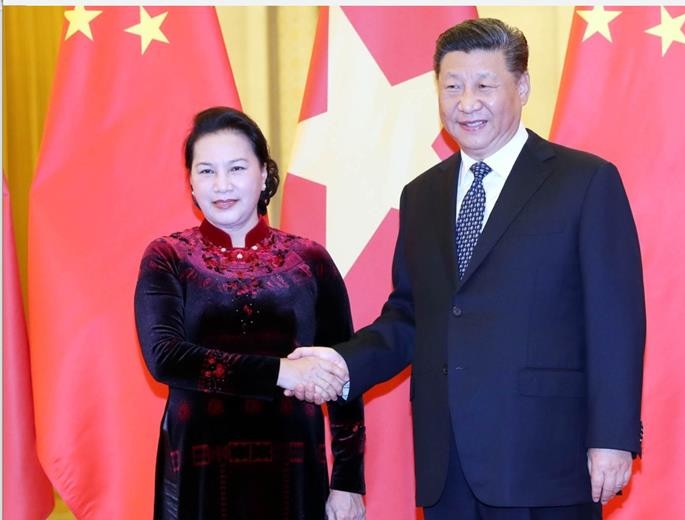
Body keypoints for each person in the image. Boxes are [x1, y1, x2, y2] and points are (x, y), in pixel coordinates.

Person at [288, 18, 645, 520]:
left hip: (546, 459)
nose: (466, 102)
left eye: (484, 85)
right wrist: (341, 365)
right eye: (451, 86)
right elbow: (412, 316)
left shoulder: (584, 181)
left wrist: (612, 436)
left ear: (521, 86)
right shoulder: (423, 195)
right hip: (448, 464)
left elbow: (615, 319)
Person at [134, 106, 366, 520]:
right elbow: (165, 357)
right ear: (190, 182)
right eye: (206, 171)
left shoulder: (309, 259)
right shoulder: (168, 256)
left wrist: (348, 480)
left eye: (237, 168)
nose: (222, 185)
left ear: (263, 175)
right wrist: (282, 372)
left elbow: (343, 373)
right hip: (198, 470)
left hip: (295, 470)